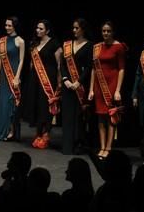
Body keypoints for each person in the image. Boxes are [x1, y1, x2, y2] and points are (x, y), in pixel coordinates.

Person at [88, 21, 127, 159]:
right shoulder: (97, 47)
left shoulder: (119, 47)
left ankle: (109, 148)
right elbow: (94, 69)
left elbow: (121, 68)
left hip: (111, 84)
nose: (105, 33)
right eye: (103, 31)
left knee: (110, 117)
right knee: (100, 117)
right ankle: (102, 146)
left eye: (108, 31)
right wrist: (91, 89)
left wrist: (118, 90)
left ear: (113, 32)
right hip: (99, 86)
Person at [22, 19, 61, 149]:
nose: (38, 30)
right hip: (34, 79)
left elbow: (60, 65)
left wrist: (59, 83)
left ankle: (46, 134)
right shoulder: (34, 44)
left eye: (41, 29)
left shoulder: (54, 44)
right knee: (36, 104)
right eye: (37, 28)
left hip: (48, 79)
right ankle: (38, 133)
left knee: (46, 106)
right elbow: (32, 64)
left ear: (47, 30)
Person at [60, 18, 91, 155]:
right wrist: (65, 79)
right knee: (67, 115)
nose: (74, 30)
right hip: (68, 86)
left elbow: (90, 67)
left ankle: (78, 144)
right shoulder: (67, 45)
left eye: (77, 28)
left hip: (80, 86)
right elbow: (62, 64)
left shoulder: (90, 45)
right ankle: (66, 145)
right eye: (73, 28)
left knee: (79, 116)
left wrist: (78, 82)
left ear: (83, 29)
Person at [0, 16, 25, 141]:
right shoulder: (2, 40)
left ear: (15, 26)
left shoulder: (20, 41)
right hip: (3, 74)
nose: (7, 28)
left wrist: (17, 77)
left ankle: (11, 130)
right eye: (6, 25)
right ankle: (2, 130)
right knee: (3, 103)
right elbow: (1, 59)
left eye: (9, 25)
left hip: (14, 73)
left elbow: (22, 60)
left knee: (11, 102)